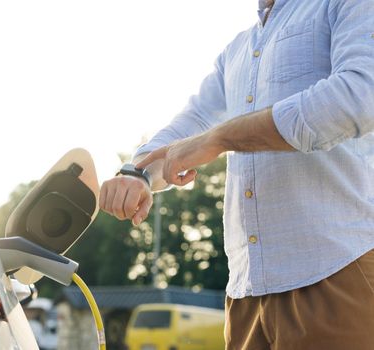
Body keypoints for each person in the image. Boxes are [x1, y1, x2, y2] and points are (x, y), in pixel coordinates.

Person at [99, 0, 374, 349]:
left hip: (335, 272)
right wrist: (136, 175)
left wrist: (220, 138)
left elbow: (360, 96)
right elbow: (191, 125)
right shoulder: (236, 51)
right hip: (245, 294)